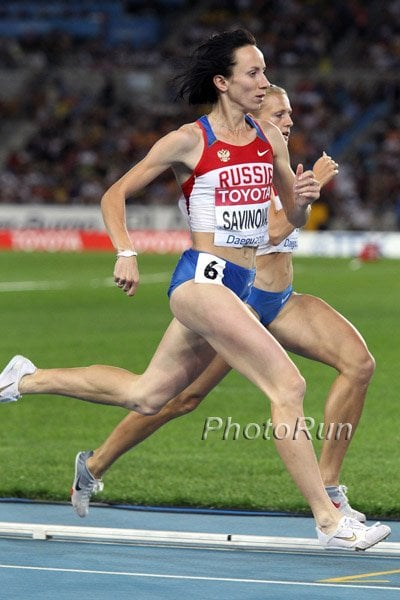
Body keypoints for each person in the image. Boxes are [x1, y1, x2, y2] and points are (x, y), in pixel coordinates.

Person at [0, 29, 389, 550]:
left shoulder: (268, 138)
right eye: (253, 73)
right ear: (223, 82)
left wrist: (302, 196)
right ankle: (327, 516)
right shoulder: (189, 139)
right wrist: (125, 251)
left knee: (148, 395)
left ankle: (24, 379)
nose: (264, 82)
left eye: (265, 72)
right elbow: (115, 193)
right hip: (200, 281)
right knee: (288, 387)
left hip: (241, 283)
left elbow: (289, 216)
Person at [69, 85, 374, 526]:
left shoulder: (278, 164)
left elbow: (288, 222)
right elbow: (268, 233)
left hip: (281, 303)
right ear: (254, 113)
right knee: (177, 398)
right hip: (233, 301)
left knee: (359, 365)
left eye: (288, 114)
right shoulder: (233, 161)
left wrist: (303, 195)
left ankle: (328, 486)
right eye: (280, 113)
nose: (288, 121)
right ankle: (94, 464)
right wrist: (311, 192)